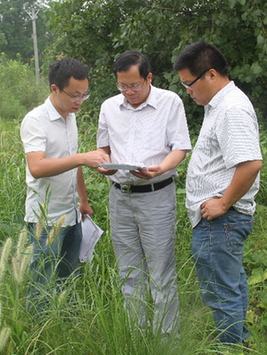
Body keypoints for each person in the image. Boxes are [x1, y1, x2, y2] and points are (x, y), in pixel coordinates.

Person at [173, 41, 263, 345]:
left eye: (189, 83)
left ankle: (229, 349)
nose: (188, 90)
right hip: (219, 221)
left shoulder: (231, 108)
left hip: (221, 221)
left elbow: (250, 164)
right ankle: (240, 344)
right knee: (232, 286)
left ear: (211, 74)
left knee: (221, 293)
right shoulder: (219, 106)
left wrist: (224, 203)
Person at [96, 50, 191, 335]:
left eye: (134, 85)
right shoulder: (109, 107)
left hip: (156, 195)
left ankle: (166, 341)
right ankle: (137, 337)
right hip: (120, 197)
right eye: (122, 86)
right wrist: (105, 165)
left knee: (161, 273)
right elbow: (104, 148)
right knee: (129, 271)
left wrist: (160, 168)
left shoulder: (169, 102)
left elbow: (181, 148)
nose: (128, 92)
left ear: (148, 78)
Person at [20, 58, 110, 313]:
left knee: (68, 278)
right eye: (74, 95)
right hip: (45, 217)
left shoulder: (70, 117)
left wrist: (83, 200)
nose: (79, 101)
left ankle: (66, 327)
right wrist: (82, 157)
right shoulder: (35, 120)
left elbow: (72, 161)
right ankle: (38, 332)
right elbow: (37, 166)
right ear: (54, 89)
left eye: (84, 95)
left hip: (71, 213)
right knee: (42, 278)